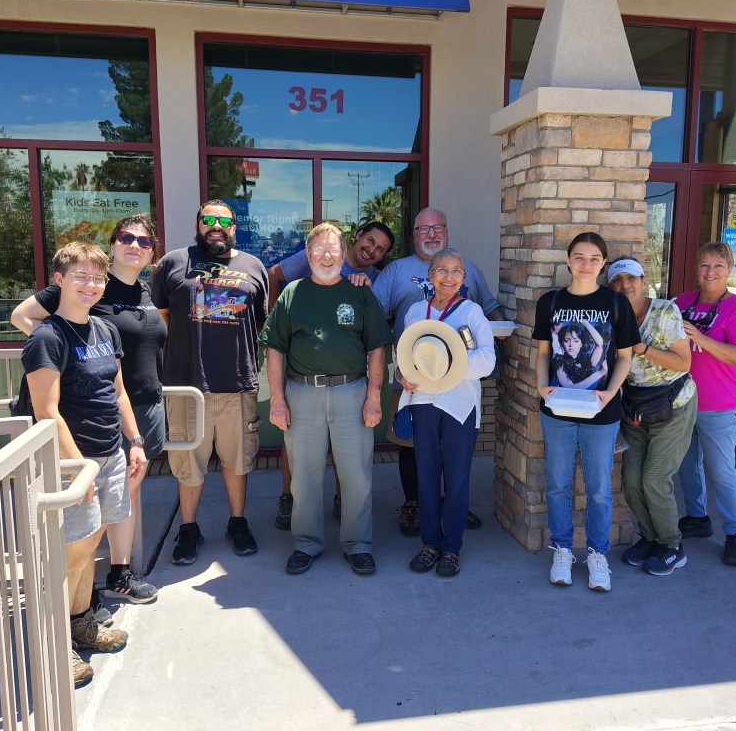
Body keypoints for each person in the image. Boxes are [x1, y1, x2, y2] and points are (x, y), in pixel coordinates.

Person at [12, 214, 165, 608]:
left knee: (115, 505)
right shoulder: (72, 306)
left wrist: (132, 437)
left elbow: (120, 385)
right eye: (127, 238)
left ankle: (113, 579)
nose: (135, 245)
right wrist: (61, 352)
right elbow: (22, 317)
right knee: (79, 529)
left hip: (127, 417)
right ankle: (70, 613)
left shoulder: (143, 294)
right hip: (78, 433)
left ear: (152, 251)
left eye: (144, 241)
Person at [21, 241, 147, 687]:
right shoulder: (47, 337)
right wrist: (79, 469)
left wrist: (134, 441)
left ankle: (81, 622)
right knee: (70, 556)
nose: (90, 284)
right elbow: (47, 412)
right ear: (59, 280)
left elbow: (117, 393)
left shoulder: (103, 330)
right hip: (74, 466)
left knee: (88, 550)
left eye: (97, 277)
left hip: (110, 454)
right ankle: (56, 645)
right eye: (81, 276)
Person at [260, 222, 392, 576]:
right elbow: (274, 348)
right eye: (320, 250)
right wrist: (277, 400)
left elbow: (377, 347)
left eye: (333, 249)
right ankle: (306, 542)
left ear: (342, 252)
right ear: (308, 254)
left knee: (357, 476)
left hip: (352, 392)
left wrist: (374, 396)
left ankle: (358, 544)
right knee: (304, 477)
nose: (327, 256)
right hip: (302, 394)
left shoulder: (360, 292)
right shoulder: (292, 294)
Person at [371, 207, 503, 536]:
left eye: (438, 228)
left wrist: (509, 340)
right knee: (411, 447)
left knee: (454, 460)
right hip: (416, 382)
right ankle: (415, 506)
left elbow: (489, 309)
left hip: (459, 389)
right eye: (423, 229)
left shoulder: (469, 274)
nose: (431, 234)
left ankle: (451, 510)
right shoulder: (397, 272)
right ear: (413, 234)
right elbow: (374, 314)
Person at [150, 199, 269, 565]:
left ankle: (237, 522)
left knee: (237, 459)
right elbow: (161, 319)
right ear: (198, 223)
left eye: (224, 220)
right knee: (189, 462)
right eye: (209, 219)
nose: (216, 226)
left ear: (234, 226)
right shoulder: (173, 262)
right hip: (186, 384)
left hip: (237, 381)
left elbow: (259, 320)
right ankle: (189, 528)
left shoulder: (253, 266)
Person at [532, 232, 639, 592]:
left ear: (603, 263)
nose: (586, 263)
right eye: (579, 256)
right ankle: (562, 550)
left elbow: (624, 356)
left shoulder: (616, 304)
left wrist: (610, 393)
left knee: (598, 490)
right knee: (558, 485)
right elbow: (545, 352)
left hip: (601, 412)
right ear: (568, 260)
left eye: (594, 258)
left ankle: (597, 555)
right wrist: (540, 385)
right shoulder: (551, 302)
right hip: (557, 411)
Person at [397, 249, 496, 577]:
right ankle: (430, 543)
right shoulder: (415, 312)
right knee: (426, 476)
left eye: (456, 271)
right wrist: (402, 375)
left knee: (456, 479)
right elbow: (404, 356)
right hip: (424, 402)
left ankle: (451, 547)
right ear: (431, 275)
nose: (449, 277)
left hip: (459, 405)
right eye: (443, 270)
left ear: (464, 278)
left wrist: (447, 361)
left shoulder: (472, 312)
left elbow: (487, 360)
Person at [607, 256, 697, 576]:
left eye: (631, 278)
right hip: (636, 410)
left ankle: (673, 545)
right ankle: (650, 538)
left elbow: (683, 363)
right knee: (631, 481)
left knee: (654, 480)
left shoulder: (664, 312)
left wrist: (640, 348)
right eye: (617, 281)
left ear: (644, 281)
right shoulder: (613, 316)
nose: (624, 285)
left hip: (673, 406)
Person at [674, 242, 736, 567]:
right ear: (697, 268)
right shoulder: (682, 302)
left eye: (718, 266)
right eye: (705, 265)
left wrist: (700, 338)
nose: (711, 272)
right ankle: (697, 517)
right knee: (686, 464)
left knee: (721, 470)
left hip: (721, 405)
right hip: (683, 401)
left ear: (730, 269)